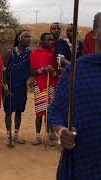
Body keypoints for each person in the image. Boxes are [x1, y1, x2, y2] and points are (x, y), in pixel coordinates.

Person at [49, 14, 101, 180]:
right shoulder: (76, 71)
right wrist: (61, 130)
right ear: (94, 33)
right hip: (83, 162)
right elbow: (55, 111)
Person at [2, 30, 31, 147]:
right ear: (19, 39)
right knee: (8, 111)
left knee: (19, 110)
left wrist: (32, 80)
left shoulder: (29, 53)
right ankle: (8, 137)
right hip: (10, 86)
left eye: (29, 36)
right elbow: (3, 70)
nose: (29, 38)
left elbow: (30, 69)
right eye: (26, 36)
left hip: (22, 86)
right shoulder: (10, 52)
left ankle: (16, 136)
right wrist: (5, 87)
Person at [30, 33, 59, 146]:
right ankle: (37, 136)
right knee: (39, 112)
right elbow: (32, 72)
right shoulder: (34, 54)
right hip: (39, 86)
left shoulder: (54, 54)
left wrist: (52, 72)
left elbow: (56, 74)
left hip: (51, 85)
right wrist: (43, 70)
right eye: (49, 40)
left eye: (52, 40)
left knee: (49, 112)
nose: (51, 42)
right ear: (42, 42)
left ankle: (48, 135)